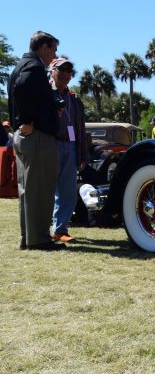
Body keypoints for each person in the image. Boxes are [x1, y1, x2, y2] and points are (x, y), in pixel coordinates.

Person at [8, 31, 63, 251]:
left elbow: (21, 90)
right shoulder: (34, 67)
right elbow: (22, 88)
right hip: (37, 137)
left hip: (25, 138)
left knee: (28, 191)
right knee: (40, 189)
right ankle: (39, 239)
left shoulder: (20, 66)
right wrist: (27, 120)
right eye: (54, 49)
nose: (54, 54)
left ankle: (28, 238)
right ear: (44, 48)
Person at [50, 57, 89, 242]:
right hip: (50, 145)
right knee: (46, 190)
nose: (66, 74)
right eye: (61, 70)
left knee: (68, 192)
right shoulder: (44, 93)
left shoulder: (74, 98)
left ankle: (60, 230)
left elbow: (79, 128)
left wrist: (81, 154)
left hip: (70, 146)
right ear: (52, 71)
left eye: (69, 71)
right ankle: (41, 231)